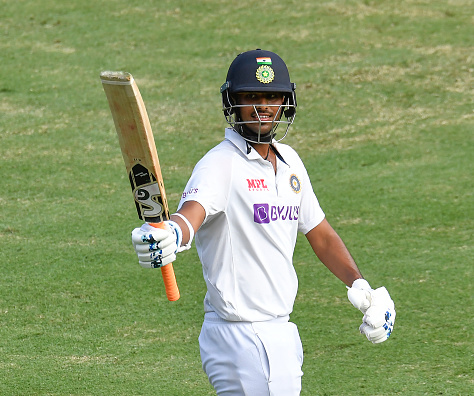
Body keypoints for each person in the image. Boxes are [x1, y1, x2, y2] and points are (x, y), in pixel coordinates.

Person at [131, 49, 396, 395]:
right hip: (239, 334)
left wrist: (361, 286)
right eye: (251, 96)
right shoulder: (220, 164)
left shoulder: (291, 163)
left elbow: (321, 234)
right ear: (232, 103)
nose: (263, 106)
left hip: (279, 331)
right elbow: (191, 213)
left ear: (286, 102)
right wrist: (172, 232)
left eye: (272, 96)